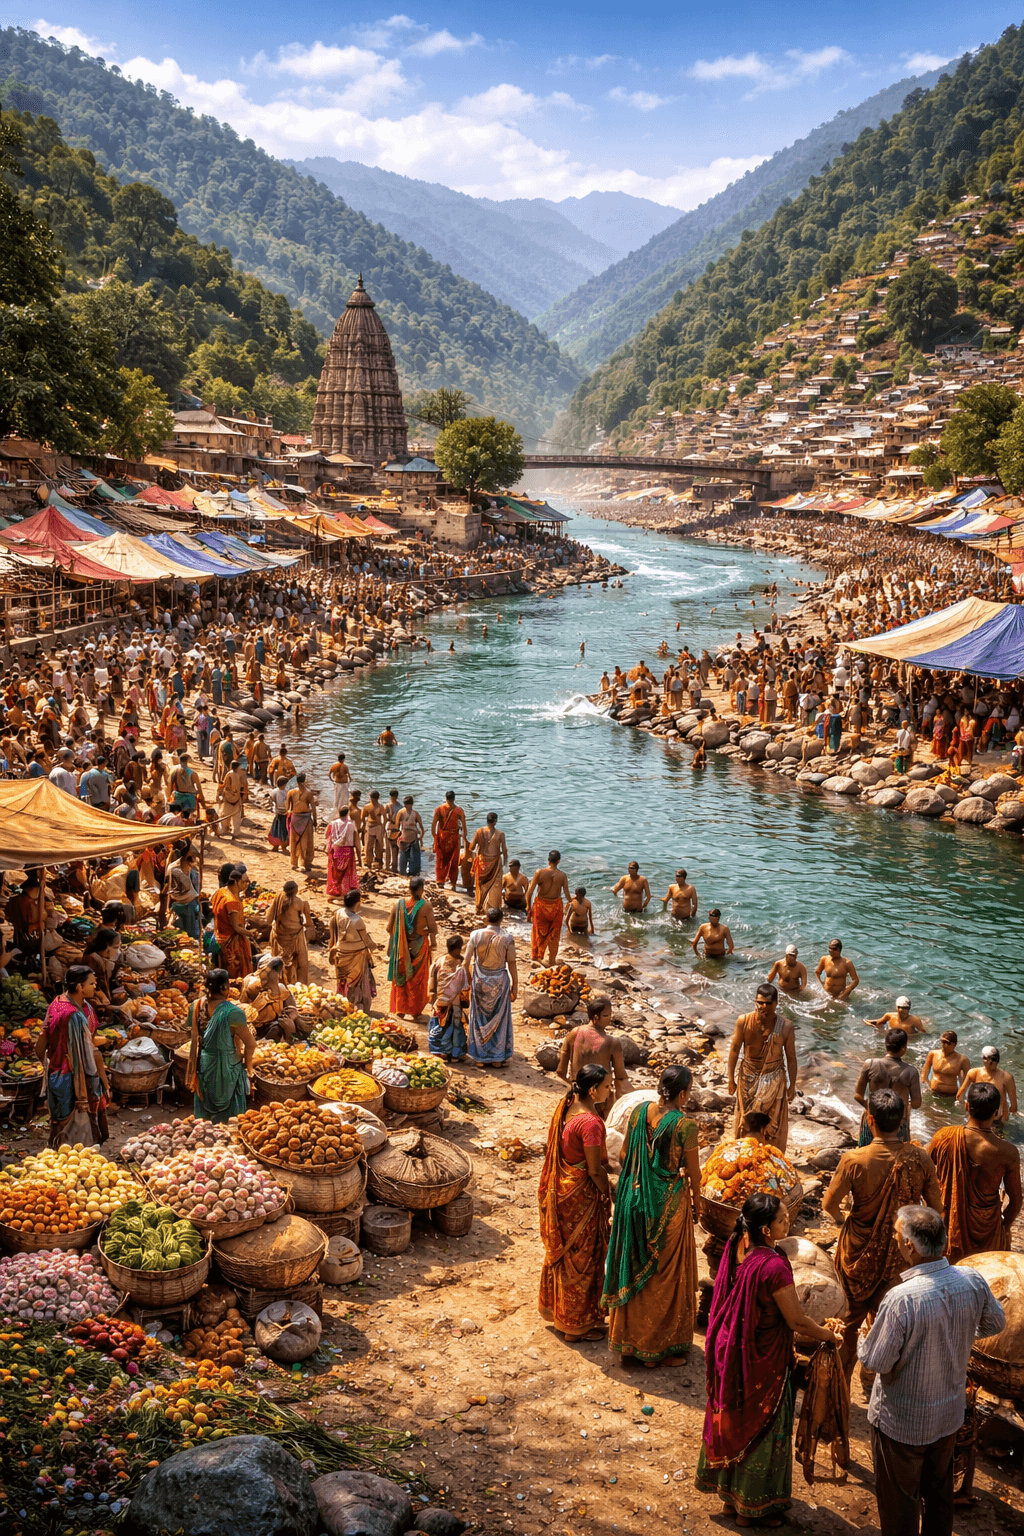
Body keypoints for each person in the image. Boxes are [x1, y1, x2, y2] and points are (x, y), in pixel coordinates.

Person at [859, 1206, 1006, 1536]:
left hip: (903, 1423)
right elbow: (997, 1322)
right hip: (948, 1415)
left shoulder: (902, 1298)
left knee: (900, 1500)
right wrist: (960, 1331)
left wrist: (861, 1341)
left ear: (909, 1245)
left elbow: (875, 1362)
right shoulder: (970, 1279)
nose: (897, 1241)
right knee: (939, 1495)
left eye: (898, 1236)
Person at [695, 1191, 839, 1525]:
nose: (789, 1221)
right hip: (763, 1360)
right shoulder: (775, 1267)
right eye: (782, 1219)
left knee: (738, 1418)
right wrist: (829, 1335)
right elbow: (797, 1320)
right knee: (763, 1424)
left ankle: (732, 1500)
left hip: (736, 1349)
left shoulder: (742, 1252)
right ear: (766, 1229)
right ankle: (753, 1507)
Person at [822, 1088, 943, 1378]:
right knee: (889, 1316)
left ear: (870, 1120)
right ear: (903, 1120)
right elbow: (936, 1211)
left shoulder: (854, 1159)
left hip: (856, 1253)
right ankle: (875, 1370)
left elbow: (830, 1205)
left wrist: (847, 1221)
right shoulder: (920, 1159)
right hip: (901, 1253)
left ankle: (843, 1374)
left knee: (849, 1319)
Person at [602, 1064, 702, 1365]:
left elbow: (622, 1157)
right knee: (662, 1278)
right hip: (666, 1207)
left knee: (633, 1266)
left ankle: (628, 1343)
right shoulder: (685, 1126)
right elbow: (694, 1174)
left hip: (631, 1198)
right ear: (682, 1094)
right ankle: (654, 1350)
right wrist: (696, 1201)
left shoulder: (638, 1111)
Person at [538, 1063, 613, 1342]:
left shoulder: (567, 1105)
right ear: (593, 1090)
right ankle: (576, 1325)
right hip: (581, 1195)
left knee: (567, 1255)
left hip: (562, 1189)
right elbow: (594, 1170)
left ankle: (560, 1315)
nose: (610, 1090)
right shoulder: (591, 1124)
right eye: (606, 1086)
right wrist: (608, 1191)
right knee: (584, 1256)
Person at [927, 1082, 1022, 1264]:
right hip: (989, 1235)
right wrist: (1005, 1226)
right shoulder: (1008, 1152)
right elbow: (1016, 1201)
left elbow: (925, 1177)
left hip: (949, 1232)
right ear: (996, 1113)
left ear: (967, 1106)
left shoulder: (943, 1137)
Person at [37, 965, 110, 1148]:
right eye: (92, 983)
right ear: (79, 986)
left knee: (60, 1124)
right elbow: (90, 1053)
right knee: (73, 1128)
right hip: (72, 1076)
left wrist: (48, 1065)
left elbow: (41, 1042)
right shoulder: (73, 1016)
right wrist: (103, 1081)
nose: (95, 987)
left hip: (57, 1072)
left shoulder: (60, 1002)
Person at [727, 983, 797, 1152]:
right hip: (748, 1077)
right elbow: (735, 1050)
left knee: (772, 1122)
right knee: (746, 1119)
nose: (764, 1007)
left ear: (776, 1003)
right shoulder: (744, 1021)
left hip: (774, 1078)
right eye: (760, 1003)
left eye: (768, 1003)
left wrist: (792, 1085)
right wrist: (730, 1079)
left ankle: (769, 1154)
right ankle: (744, 1152)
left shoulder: (785, 1026)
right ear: (755, 1002)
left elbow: (791, 1058)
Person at [185, 967, 254, 1123]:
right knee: (232, 1120)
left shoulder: (195, 1006)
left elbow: (192, 1034)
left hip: (204, 1066)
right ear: (225, 988)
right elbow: (251, 1044)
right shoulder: (233, 1012)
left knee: (206, 1122)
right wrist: (248, 1068)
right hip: (229, 1070)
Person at [465, 906, 518, 1067]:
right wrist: (515, 984)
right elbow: (512, 963)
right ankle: (496, 1057)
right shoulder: (507, 939)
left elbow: (465, 961)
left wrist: (468, 981)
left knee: (479, 1018)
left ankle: (480, 1057)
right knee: (499, 1019)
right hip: (499, 982)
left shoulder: (476, 935)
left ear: (486, 919)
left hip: (480, 981)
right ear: (501, 920)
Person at [556, 992, 630, 1104]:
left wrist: (573, 1084)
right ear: (596, 1017)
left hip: (578, 1095)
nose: (609, 1019)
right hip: (600, 1098)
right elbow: (620, 1076)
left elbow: (561, 1072)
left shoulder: (574, 1033)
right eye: (606, 1016)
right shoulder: (612, 1042)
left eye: (610, 1015)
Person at [854, 1029, 921, 1146]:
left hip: (873, 1119)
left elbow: (857, 1095)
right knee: (898, 1158)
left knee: (867, 1152)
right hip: (898, 1122)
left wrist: (873, 1109)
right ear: (904, 1048)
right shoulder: (911, 1072)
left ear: (886, 1046)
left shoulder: (869, 1064)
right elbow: (916, 1104)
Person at [387, 876, 437, 1020]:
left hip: (401, 946)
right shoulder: (426, 906)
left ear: (409, 888)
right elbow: (432, 927)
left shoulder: (398, 904)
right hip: (419, 946)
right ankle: (415, 1011)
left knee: (401, 974)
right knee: (417, 979)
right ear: (421, 889)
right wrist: (433, 943)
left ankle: (400, 1009)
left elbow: (389, 927)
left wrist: (393, 943)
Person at [328, 888, 378, 1008]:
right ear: (357, 904)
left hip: (341, 954)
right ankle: (354, 1005)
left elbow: (333, 933)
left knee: (343, 980)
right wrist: (373, 946)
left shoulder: (338, 913)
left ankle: (341, 1002)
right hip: (356, 956)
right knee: (355, 983)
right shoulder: (357, 920)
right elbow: (366, 940)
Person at [239, 953, 300, 1042]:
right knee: (275, 1030)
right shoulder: (252, 983)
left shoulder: (280, 987)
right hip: (256, 1026)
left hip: (275, 1024)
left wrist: (292, 1013)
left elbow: (290, 1004)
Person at [427, 934, 469, 1062]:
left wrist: (432, 993)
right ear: (458, 948)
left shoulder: (440, 960)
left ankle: (440, 1051)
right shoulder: (462, 963)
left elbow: (432, 977)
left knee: (441, 1024)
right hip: (455, 1000)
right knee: (456, 1025)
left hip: (441, 999)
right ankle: (455, 1053)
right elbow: (466, 983)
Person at [527, 850, 570, 965]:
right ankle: (551, 960)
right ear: (559, 861)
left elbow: (529, 892)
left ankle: (535, 957)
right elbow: (566, 894)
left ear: (548, 860)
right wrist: (572, 900)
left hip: (540, 905)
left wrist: (528, 907)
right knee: (555, 934)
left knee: (537, 931)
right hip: (556, 906)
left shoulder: (539, 872)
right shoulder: (562, 875)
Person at [210, 864, 252, 979]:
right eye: (244, 882)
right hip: (231, 943)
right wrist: (251, 933)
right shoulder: (232, 902)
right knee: (236, 975)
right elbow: (237, 928)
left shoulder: (221, 892)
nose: (246, 884)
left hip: (219, 935)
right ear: (236, 882)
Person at [957, 1046, 1018, 1125]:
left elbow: (1014, 1106)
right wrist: (962, 1104)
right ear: (983, 1059)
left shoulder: (1007, 1078)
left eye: (994, 1059)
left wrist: (1007, 1116)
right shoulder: (974, 1073)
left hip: (995, 1119)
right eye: (989, 1059)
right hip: (975, 1117)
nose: (992, 1062)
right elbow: (960, 1094)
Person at [267, 879, 311, 984]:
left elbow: (268, 919)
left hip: (278, 937)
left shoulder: (278, 898)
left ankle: (278, 984)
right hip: (295, 938)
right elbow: (308, 923)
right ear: (296, 891)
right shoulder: (300, 903)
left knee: (278, 964)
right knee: (302, 965)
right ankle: (301, 986)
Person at [468, 812, 507, 913]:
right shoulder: (500, 834)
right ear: (495, 821)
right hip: (495, 863)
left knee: (480, 885)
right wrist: (505, 863)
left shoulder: (479, 831)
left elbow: (471, 847)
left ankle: (479, 906)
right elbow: (505, 851)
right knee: (495, 886)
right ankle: (492, 908)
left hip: (482, 862)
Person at [431, 791, 467, 889]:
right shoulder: (459, 810)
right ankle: (453, 883)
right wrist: (465, 839)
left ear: (446, 798)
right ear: (454, 798)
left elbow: (433, 826)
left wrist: (435, 838)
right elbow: (464, 827)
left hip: (442, 836)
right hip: (454, 837)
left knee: (441, 859)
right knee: (454, 861)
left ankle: (440, 880)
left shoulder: (439, 809)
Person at [325, 805, 359, 900]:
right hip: (347, 850)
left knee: (334, 871)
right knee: (347, 873)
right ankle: (345, 892)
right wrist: (359, 856)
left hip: (336, 849)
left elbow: (327, 836)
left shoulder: (333, 823)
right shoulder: (351, 824)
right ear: (347, 814)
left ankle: (334, 891)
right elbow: (356, 840)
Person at [922, 1031, 971, 1099]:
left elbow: (969, 1079)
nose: (944, 1045)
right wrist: (927, 1086)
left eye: (947, 1043)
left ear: (954, 1044)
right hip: (933, 1092)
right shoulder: (933, 1054)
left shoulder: (962, 1060)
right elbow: (924, 1073)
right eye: (942, 1041)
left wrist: (961, 1094)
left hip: (951, 1096)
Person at [167, 848, 201, 940]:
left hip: (188, 904)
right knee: (182, 935)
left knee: (188, 935)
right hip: (182, 905)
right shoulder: (175, 869)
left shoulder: (193, 870)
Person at [286, 773, 317, 874]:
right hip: (306, 819)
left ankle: (294, 861)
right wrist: (315, 820)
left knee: (294, 840)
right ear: (304, 780)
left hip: (295, 818)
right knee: (305, 841)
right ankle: (303, 862)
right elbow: (313, 808)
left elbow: (287, 808)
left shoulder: (291, 792)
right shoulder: (309, 793)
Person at [396, 795, 424, 877]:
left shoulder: (415, 814)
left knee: (414, 864)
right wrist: (398, 837)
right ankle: (403, 874)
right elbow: (397, 826)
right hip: (404, 839)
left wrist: (421, 839)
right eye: (405, 804)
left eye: (407, 804)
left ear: (411, 804)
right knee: (402, 864)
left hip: (413, 839)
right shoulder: (401, 813)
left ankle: (413, 875)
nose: (406, 806)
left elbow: (422, 828)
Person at [362, 790, 387, 869]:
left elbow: (362, 818)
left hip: (375, 826)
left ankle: (376, 861)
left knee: (375, 845)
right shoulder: (375, 807)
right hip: (373, 826)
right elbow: (363, 818)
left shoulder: (377, 807)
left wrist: (383, 827)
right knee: (373, 845)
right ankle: (371, 861)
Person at [268, 775, 290, 852]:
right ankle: (282, 846)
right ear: (285, 784)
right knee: (284, 831)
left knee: (276, 830)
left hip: (278, 813)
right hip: (284, 814)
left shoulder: (274, 791)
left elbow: (272, 800)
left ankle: (276, 846)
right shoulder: (288, 792)